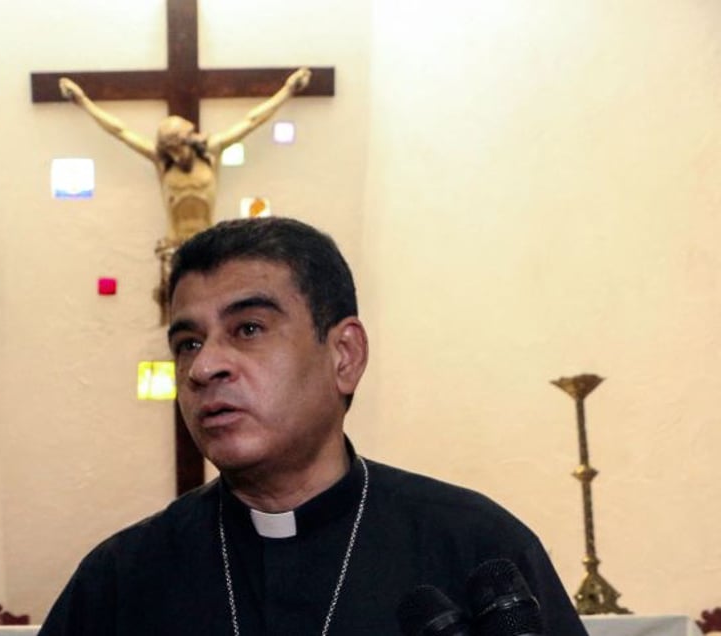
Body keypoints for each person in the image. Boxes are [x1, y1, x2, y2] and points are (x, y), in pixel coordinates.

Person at [38, 217, 589, 635]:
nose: (205, 367)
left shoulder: (475, 548)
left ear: (343, 355)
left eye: (249, 328)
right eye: (188, 343)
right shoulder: (121, 578)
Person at [58, 69, 312, 245]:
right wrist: (82, 101)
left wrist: (287, 90)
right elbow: (120, 131)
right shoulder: (161, 161)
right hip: (173, 245)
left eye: (184, 141)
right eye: (175, 145)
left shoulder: (212, 151)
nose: (178, 152)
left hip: (208, 244)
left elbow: (252, 121)